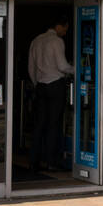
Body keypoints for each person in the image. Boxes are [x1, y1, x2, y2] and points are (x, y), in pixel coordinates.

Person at [27, 18, 74, 174]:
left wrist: (37, 83)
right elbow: (62, 66)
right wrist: (78, 70)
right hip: (55, 84)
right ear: (58, 25)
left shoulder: (36, 40)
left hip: (40, 86)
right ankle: (51, 162)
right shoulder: (56, 41)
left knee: (39, 124)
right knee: (54, 124)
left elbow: (31, 67)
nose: (65, 32)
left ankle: (33, 161)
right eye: (65, 28)